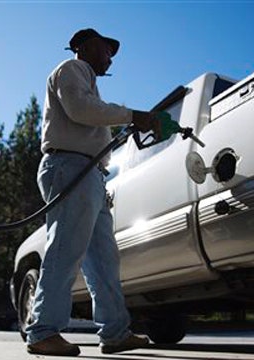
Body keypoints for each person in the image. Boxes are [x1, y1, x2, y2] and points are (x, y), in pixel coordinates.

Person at [25, 28, 161, 356]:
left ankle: (115, 333)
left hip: (91, 174)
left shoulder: (89, 83)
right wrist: (132, 115)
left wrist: (124, 124)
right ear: (86, 46)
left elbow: (90, 116)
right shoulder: (71, 70)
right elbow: (80, 110)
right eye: (106, 49)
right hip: (71, 167)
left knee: (103, 260)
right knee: (66, 249)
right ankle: (42, 331)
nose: (110, 58)